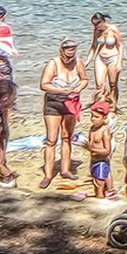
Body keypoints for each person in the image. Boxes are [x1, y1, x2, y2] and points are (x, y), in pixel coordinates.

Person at [39, 38, 88, 188]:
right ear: (61, 52)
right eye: (66, 55)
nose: (69, 59)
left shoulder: (78, 63)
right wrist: (61, 90)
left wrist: (78, 89)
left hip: (71, 104)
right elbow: (43, 84)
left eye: (71, 55)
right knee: (51, 140)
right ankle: (48, 174)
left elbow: (85, 79)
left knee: (67, 137)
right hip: (53, 104)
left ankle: (65, 170)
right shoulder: (53, 64)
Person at [84, 13, 124, 110]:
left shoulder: (113, 29)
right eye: (94, 25)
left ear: (103, 21)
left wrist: (119, 62)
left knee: (113, 83)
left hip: (113, 58)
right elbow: (93, 47)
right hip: (100, 58)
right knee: (99, 84)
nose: (96, 27)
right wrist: (87, 61)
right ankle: (101, 104)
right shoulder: (97, 30)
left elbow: (121, 46)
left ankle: (113, 105)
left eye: (98, 24)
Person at [82, 101, 115, 199]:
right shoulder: (92, 129)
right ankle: (98, 196)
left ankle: (100, 200)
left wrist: (91, 148)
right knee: (95, 184)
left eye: (96, 117)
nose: (93, 119)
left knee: (100, 185)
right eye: (92, 116)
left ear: (104, 118)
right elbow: (91, 144)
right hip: (93, 161)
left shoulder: (105, 131)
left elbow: (107, 151)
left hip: (102, 162)